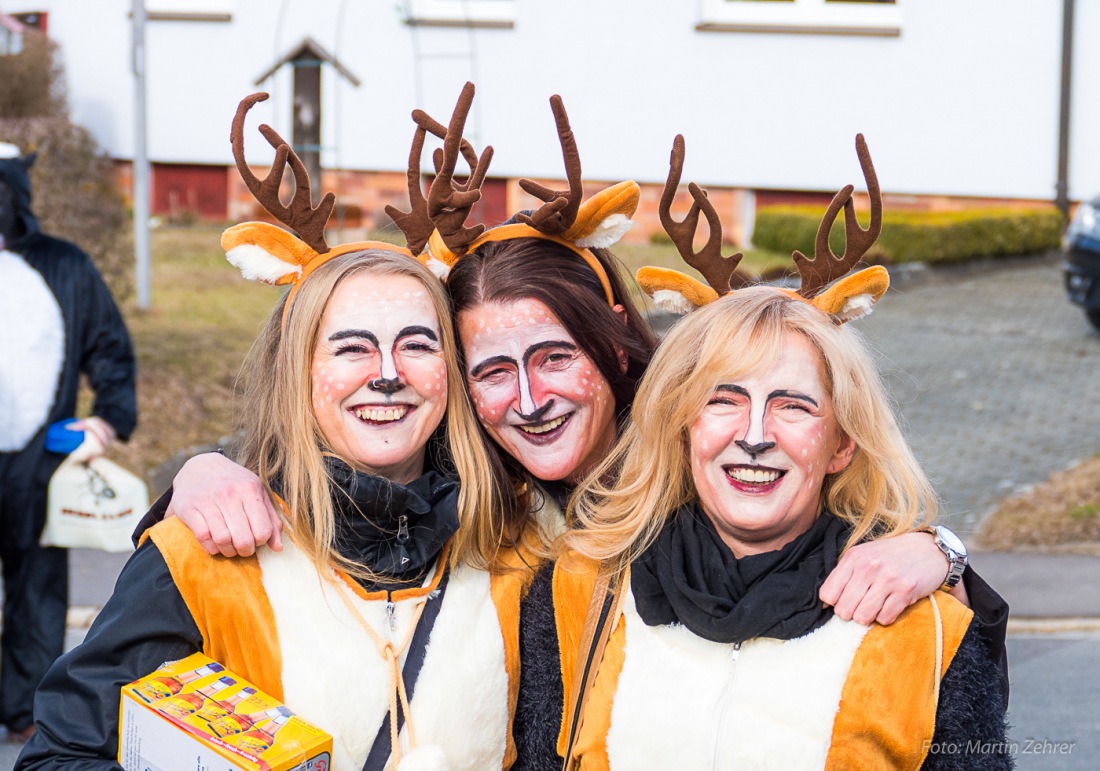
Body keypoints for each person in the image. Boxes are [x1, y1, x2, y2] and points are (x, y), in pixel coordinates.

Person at [135, 99, 1009, 763]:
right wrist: (201, 470)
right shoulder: (467, 466)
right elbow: (318, 453)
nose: (527, 398)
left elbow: (830, 512)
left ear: (620, 349)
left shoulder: (700, 460)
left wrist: (941, 547)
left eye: (556, 356)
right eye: (489, 369)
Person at [16, 94, 525, 770]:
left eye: (417, 345)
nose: (386, 375)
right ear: (297, 372)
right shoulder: (202, 557)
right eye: (349, 348)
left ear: (452, 370)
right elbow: (60, 755)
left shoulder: (518, 543)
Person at [548, 136, 1011, 769]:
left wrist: (945, 554)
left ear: (843, 443)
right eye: (724, 400)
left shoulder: (926, 630)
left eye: (794, 406)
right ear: (683, 427)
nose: (756, 434)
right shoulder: (583, 589)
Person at [0, 142, 136, 743]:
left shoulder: (65, 265)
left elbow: (108, 345)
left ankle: (24, 707)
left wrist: (106, 418)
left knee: (37, 584)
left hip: (38, 457)